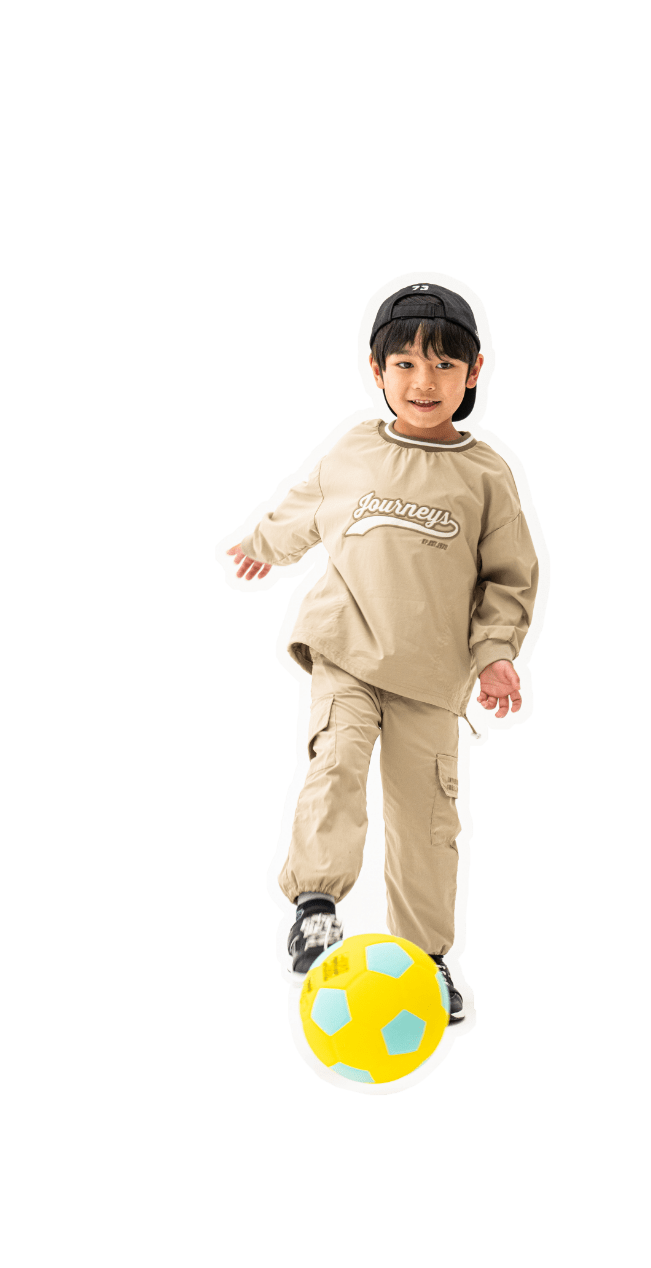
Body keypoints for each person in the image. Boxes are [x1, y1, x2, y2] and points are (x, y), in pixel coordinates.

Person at [226, 282, 540, 1023]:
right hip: (346, 647)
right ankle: (314, 905)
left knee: (430, 820)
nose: (423, 381)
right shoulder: (353, 447)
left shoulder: (487, 473)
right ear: (375, 369)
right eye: (404, 364)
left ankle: (428, 961)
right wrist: (261, 542)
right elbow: (300, 504)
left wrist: (497, 654)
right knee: (333, 764)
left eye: (443, 365)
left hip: (432, 674)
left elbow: (508, 579)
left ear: (475, 370)